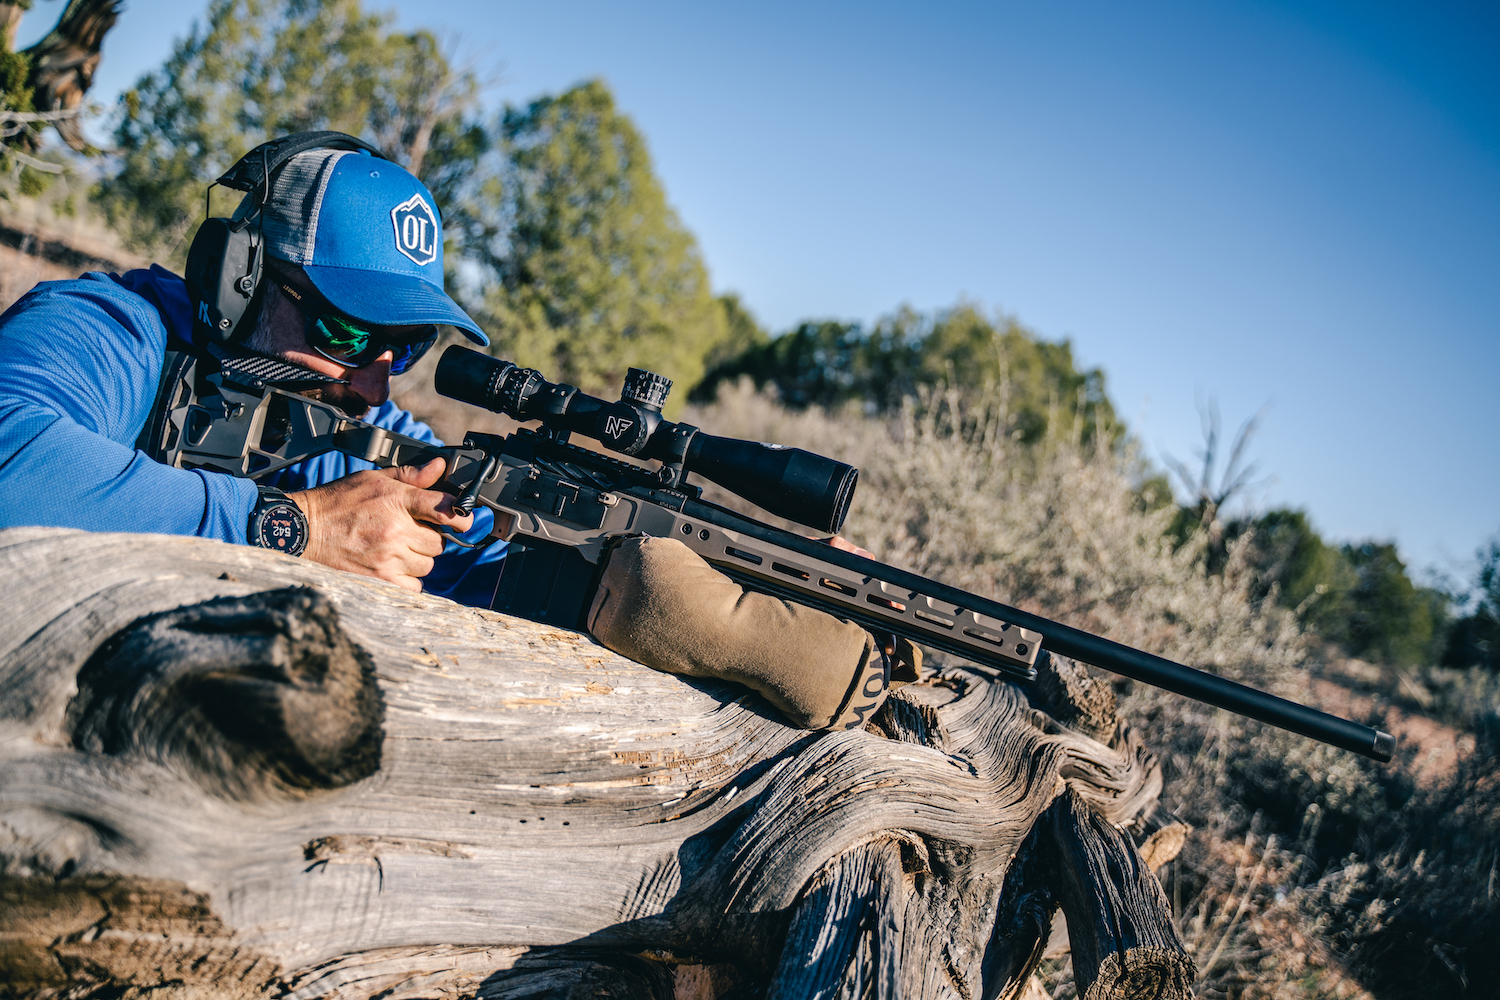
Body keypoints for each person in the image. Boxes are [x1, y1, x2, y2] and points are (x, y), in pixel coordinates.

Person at [0, 131, 910, 730]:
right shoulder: (110, 331)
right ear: (243, 275)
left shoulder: (366, 431)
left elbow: (480, 563)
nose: (378, 372)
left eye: (406, 342)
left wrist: (751, 593)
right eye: (349, 329)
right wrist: (294, 528)